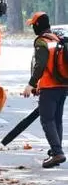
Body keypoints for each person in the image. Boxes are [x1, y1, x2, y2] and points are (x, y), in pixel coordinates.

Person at [23, 12, 68, 168]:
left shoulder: (42, 42)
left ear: (37, 25)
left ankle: (57, 153)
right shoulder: (57, 39)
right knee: (56, 120)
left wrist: (31, 84)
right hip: (63, 86)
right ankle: (57, 150)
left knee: (47, 120)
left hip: (49, 87)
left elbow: (40, 65)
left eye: (33, 25)